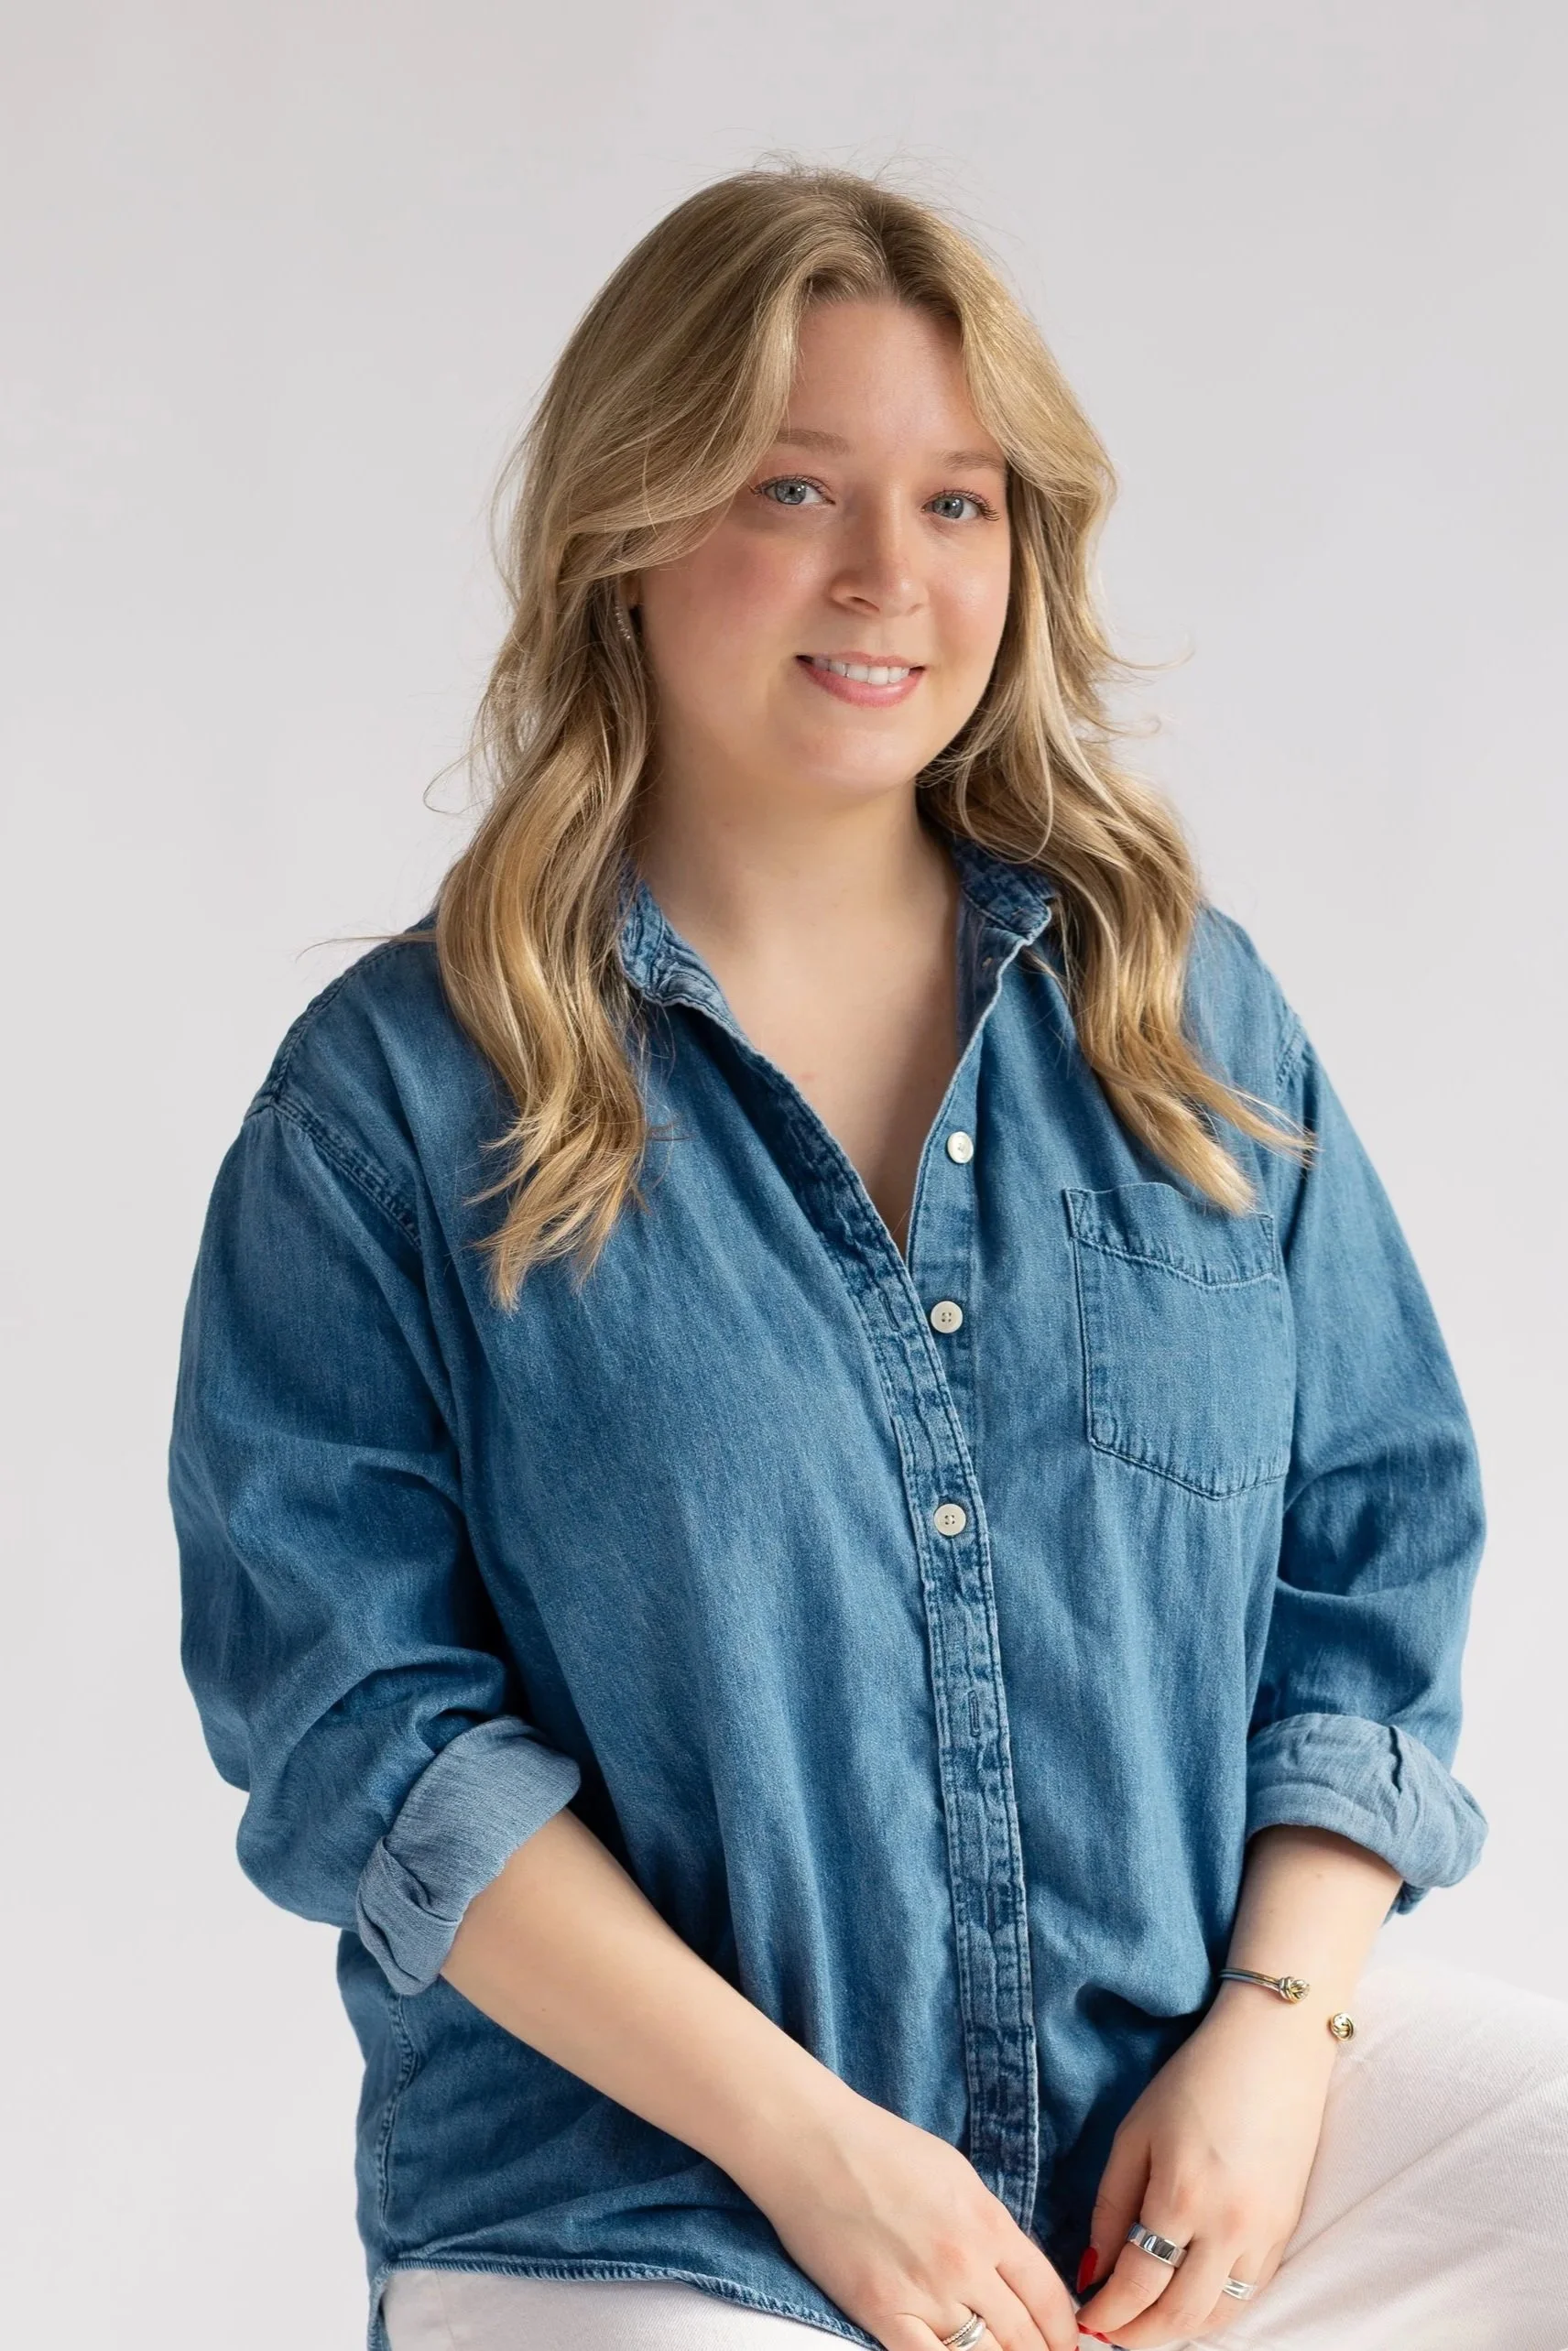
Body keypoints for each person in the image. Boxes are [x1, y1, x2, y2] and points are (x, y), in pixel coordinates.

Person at [168, 163, 1568, 2351]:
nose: (882, 577)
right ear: (625, 534)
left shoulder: (1179, 1009)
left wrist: (1279, 2033)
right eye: (791, 485)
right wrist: (818, 2152)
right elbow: (367, 1734)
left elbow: (1370, 1546)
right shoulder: (394, 1110)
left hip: (1156, 2117)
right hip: (653, 2190)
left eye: (956, 502)